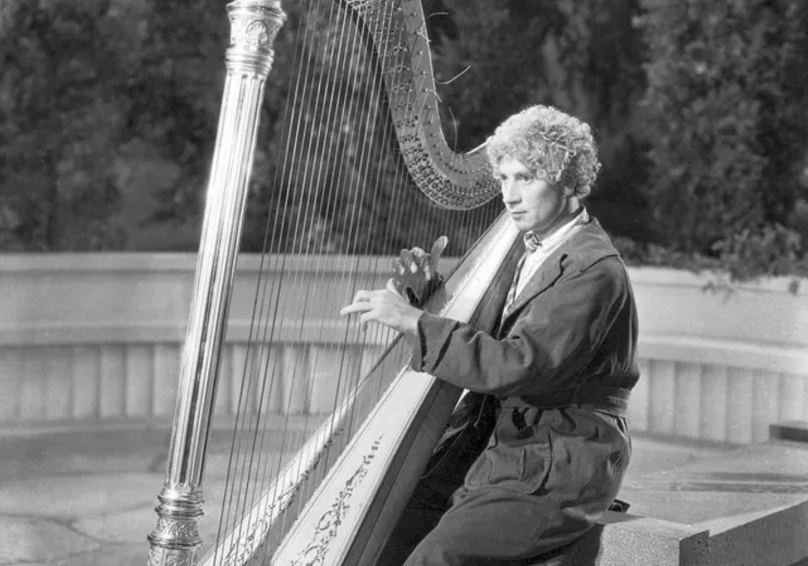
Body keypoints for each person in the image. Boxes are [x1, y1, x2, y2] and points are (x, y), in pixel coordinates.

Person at [340, 104, 639, 566]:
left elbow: (519, 364)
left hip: (562, 457)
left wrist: (414, 323)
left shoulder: (591, 271)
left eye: (525, 178)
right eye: (503, 179)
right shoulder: (533, 248)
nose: (510, 195)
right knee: (381, 529)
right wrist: (429, 302)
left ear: (566, 180)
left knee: (435, 558)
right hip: (509, 443)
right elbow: (495, 330)